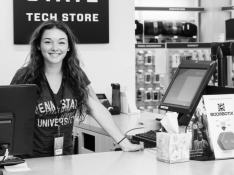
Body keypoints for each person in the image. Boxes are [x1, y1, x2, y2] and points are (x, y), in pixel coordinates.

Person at [10, 20, 142, 157]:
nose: (55, 47)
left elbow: (97, 109)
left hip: (64, 156)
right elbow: (10, 116)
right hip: (31, 158)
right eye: (48, 42)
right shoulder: (25, 76)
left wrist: (125, 144)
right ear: (38, 45)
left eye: (61, 42)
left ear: (68, 47)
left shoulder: (75, 75)